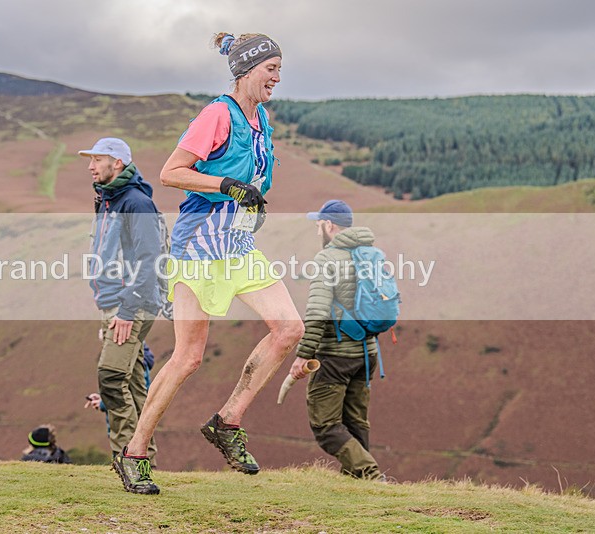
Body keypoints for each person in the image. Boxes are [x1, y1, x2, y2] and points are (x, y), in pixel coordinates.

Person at [112, 33, 304, 495]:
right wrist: (227, 186)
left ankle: (228, 419)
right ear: (245, 71)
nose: (277, 77)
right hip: (199, 244)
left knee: (290, 329)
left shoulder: (262, 121)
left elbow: (254, 179)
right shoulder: (218, 114)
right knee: (188, 357)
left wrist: (250, 202)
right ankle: (134, 452)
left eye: (280, 69)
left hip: (236, 243)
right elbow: (171, 172)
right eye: (270, 69)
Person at [79, 137, 161, 464]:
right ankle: (146, 461)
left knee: (111, 376)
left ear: (117, 163)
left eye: (97, 159)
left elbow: (149, 259)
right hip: (115, 303)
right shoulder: (108, 199)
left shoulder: (136, 202)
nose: (90, 166)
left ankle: (128, 460)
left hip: (130, 304)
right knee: (136, 385)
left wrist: (126, 310)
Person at [289, 199, 384, 481]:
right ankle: (357, 482)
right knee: (355, 420)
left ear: (329, 225)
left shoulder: (327, 259)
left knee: (325, 425)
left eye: (319, 225)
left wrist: (304, 354)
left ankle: (370, 474)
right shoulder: (372, 254)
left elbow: (317, 312)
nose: (318, 231)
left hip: (335, 355)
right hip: (367, 352)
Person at [84, 343, 156, 458]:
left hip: (130, 431)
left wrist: (103, 404)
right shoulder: (135, 360)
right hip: (135, 428)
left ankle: (129, 465)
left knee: (127, 453)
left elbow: (123, 396)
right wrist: (102, 399)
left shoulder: (125, 362)